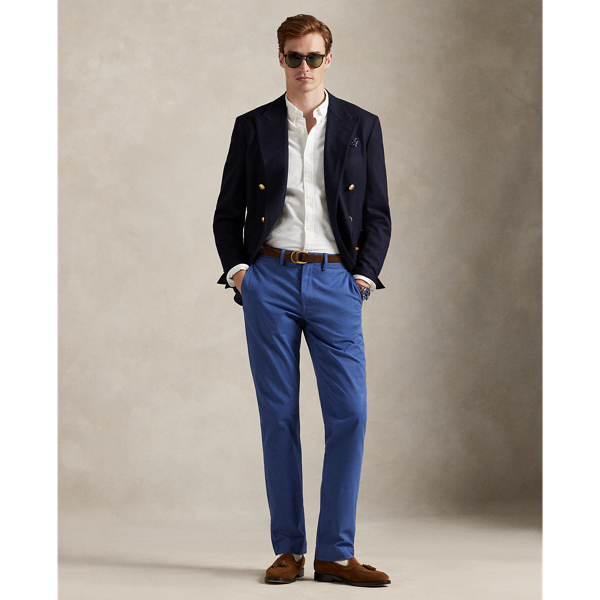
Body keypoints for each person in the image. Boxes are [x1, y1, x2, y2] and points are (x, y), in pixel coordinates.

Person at [213, 14, 392, 587]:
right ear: (281, 59)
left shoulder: (362, 125)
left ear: (328, 59)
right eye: (294, 57)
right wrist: (241, 273)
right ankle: (288, 549)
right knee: (279, 415)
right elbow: (227, 211)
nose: (305, 67)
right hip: (270, 279)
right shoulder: (254, 125)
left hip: (337, 281)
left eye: (314, 57)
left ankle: (335, 553)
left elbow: (378, 214)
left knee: (350, 413)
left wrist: (362, 279)